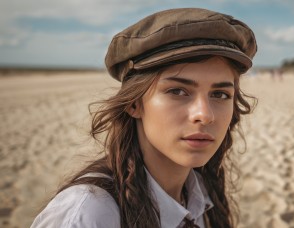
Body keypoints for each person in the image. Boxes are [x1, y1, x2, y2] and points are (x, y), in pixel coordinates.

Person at [31, 8, 257, 228]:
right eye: (178, 91)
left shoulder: (202, 193)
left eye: (220, 94)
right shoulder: (89, 213)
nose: (204, 115)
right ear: (134, 103)